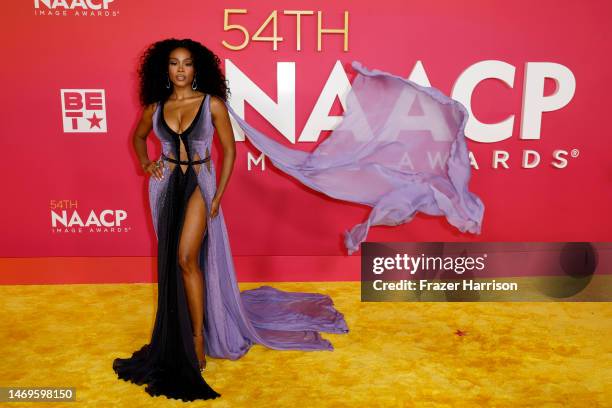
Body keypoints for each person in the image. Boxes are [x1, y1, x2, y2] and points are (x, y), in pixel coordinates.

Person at [112, 38, 350, 402]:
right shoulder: (155, 107)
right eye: (174, 63)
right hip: (164, 188)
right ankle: (181, 330)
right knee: (171, 263)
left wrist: (217, 195)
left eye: (187, 63)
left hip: (200, 185)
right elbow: (138, 138)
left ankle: (197, 338)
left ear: (197, 68)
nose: (180, 70)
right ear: (164, 68)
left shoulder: (212, 105)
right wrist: (146, 163)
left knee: (186, 257)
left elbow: (229, 151)